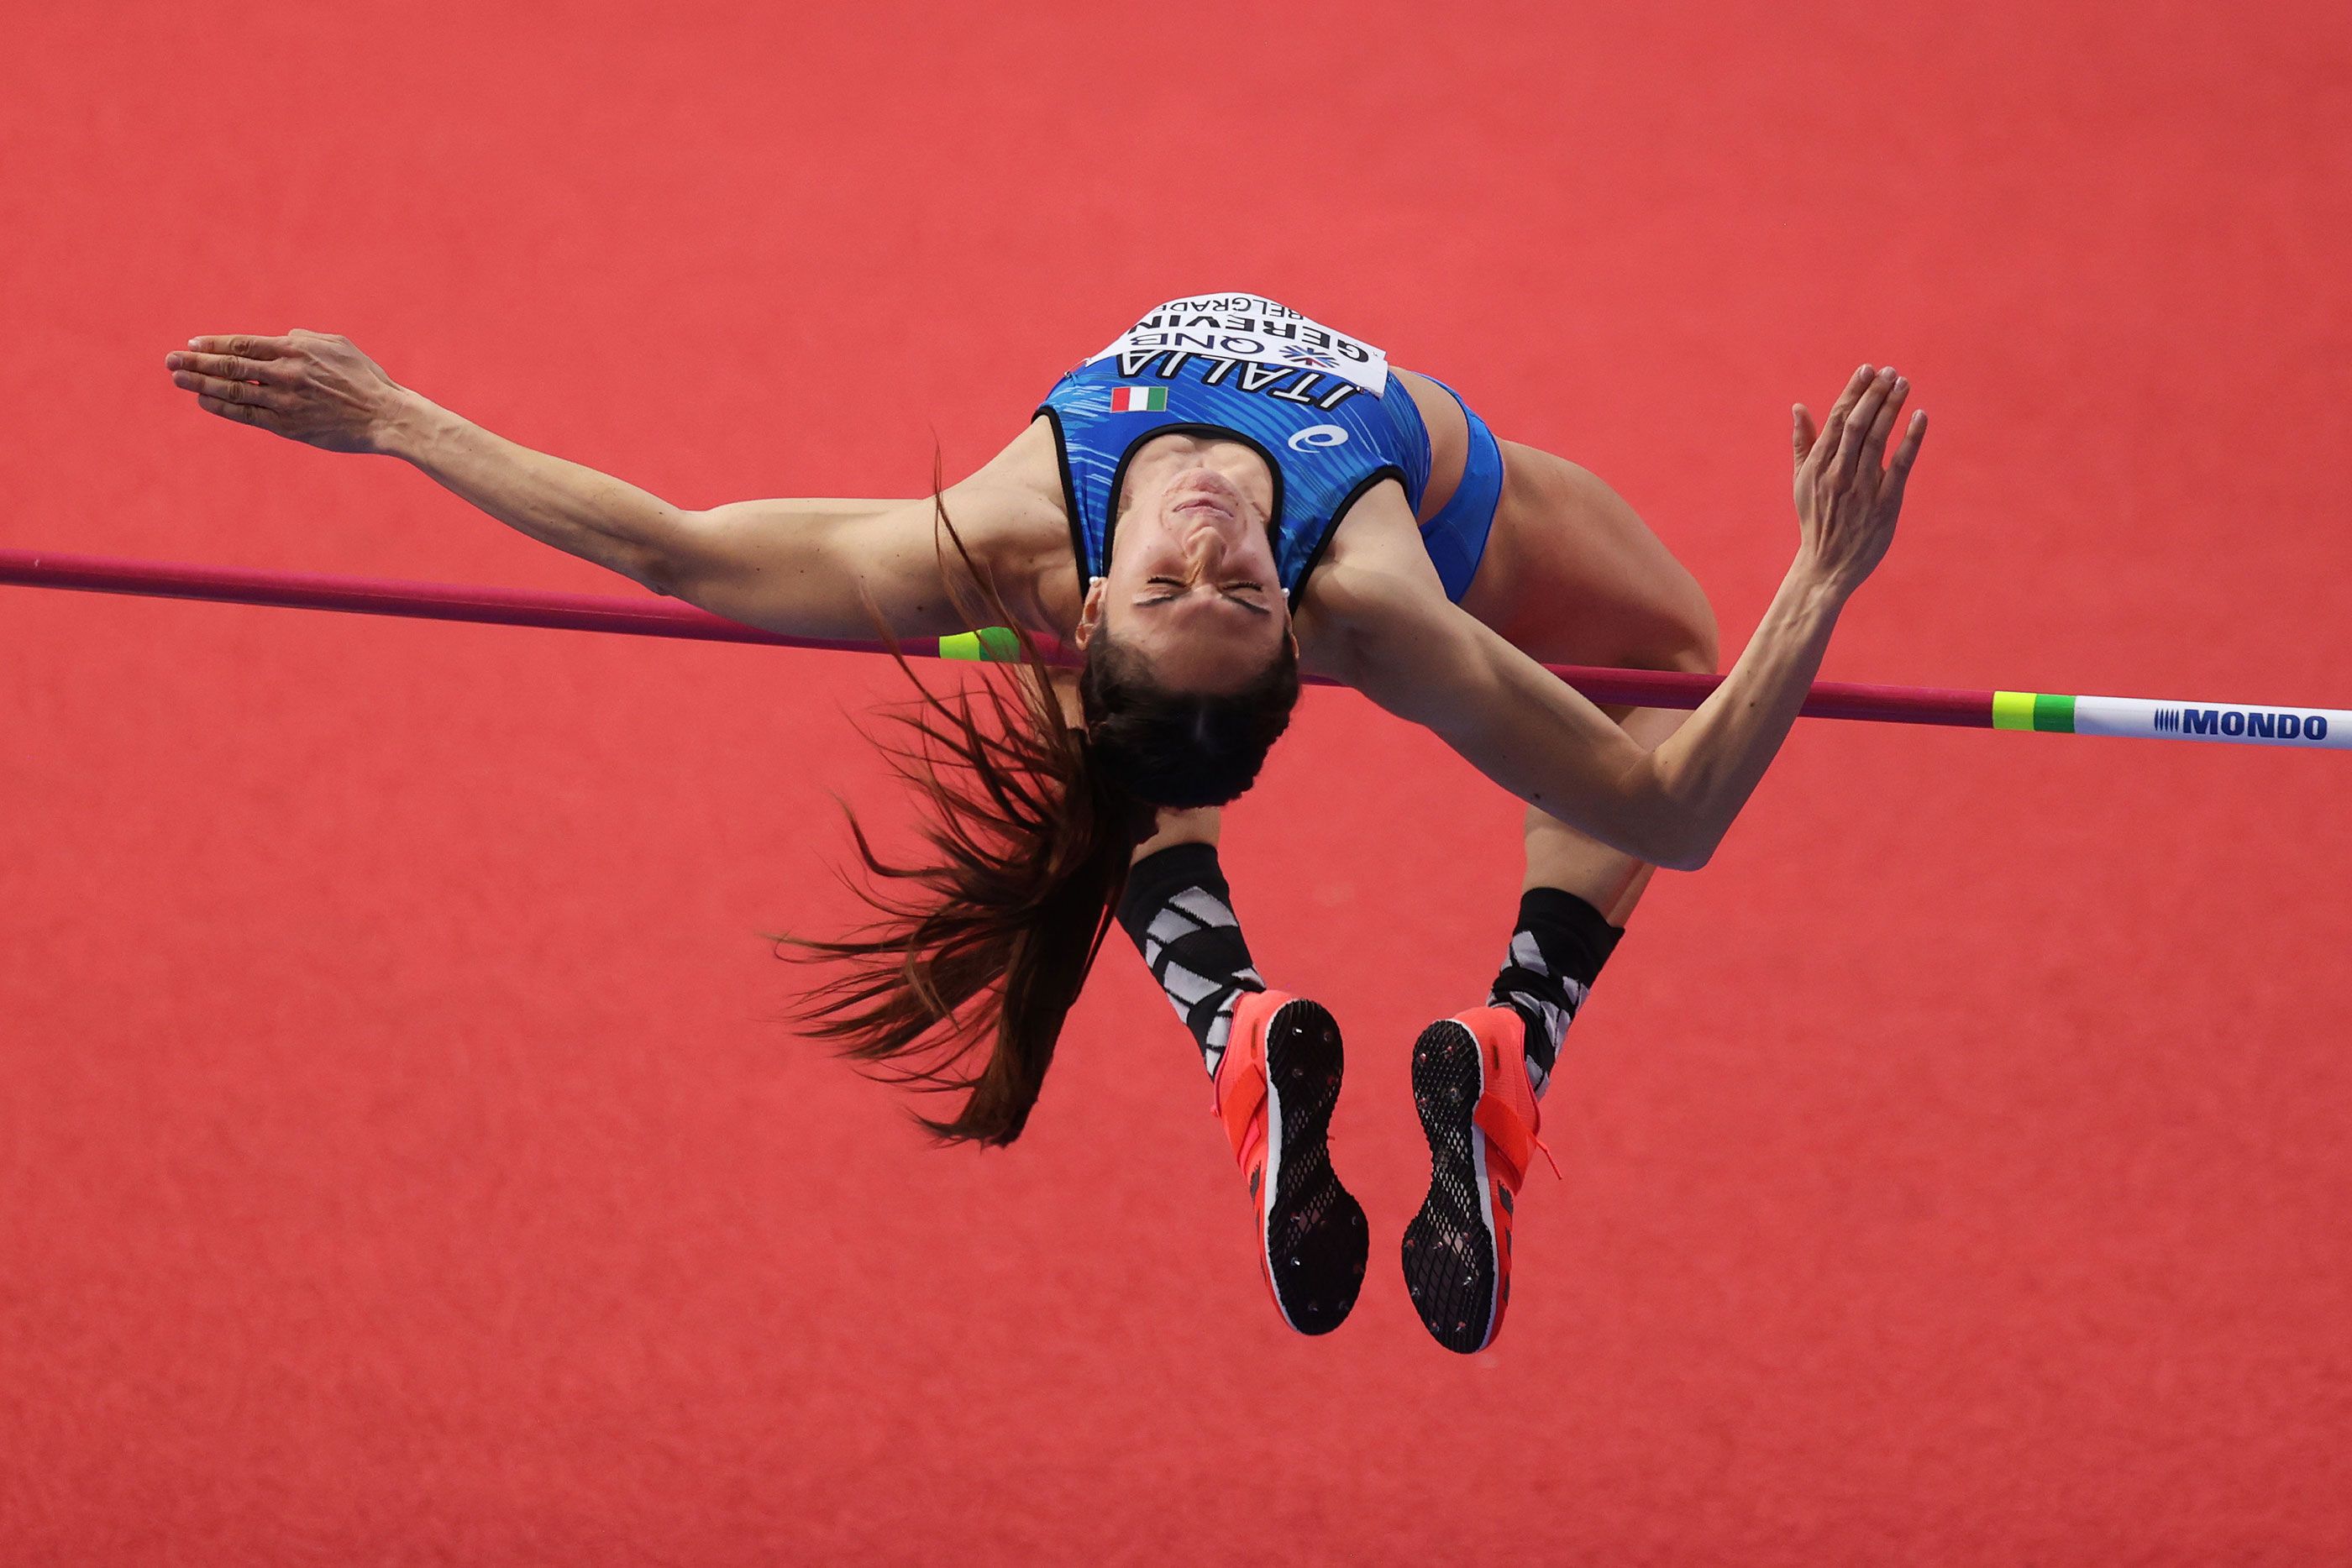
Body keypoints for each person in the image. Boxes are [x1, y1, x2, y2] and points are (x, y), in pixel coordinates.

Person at [164, 292, 1925, 1353]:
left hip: (1233, 575)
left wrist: (397, 414)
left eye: (1199, 579)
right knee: (1681, 658)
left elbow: (676, 548)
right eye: (1222, 585)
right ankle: (1477, 1039)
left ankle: (1265, 1027)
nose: (1216, 543)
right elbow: (1668, 810)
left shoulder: (1050, 542)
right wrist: (1819, 582)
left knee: (1643, 668)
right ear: (1286, 636)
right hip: (1430, 482)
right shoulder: (1346, 594)